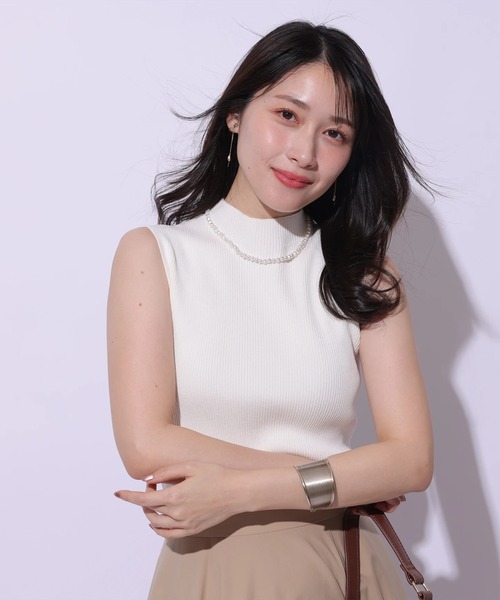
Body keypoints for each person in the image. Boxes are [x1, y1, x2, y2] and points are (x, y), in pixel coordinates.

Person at [108, 20, 433, 599]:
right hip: (213, 566)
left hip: (342, 563)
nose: (304, 152)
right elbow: (146, 445)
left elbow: (410, 462)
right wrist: (338, 473)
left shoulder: (364, 276)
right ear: (235, 114)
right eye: (287, 115)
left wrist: (241, 490)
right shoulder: (156, 255)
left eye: (334, 133)